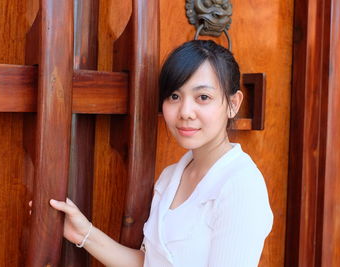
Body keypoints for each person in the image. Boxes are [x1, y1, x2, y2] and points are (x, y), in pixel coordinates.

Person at [49, 40, 273, 267]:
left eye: (203, 97)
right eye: (174, 96)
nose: (185, 112)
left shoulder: (240, 185)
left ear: (233, 104)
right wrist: (83, 232)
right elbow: (148, 263)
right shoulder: (170, 177)